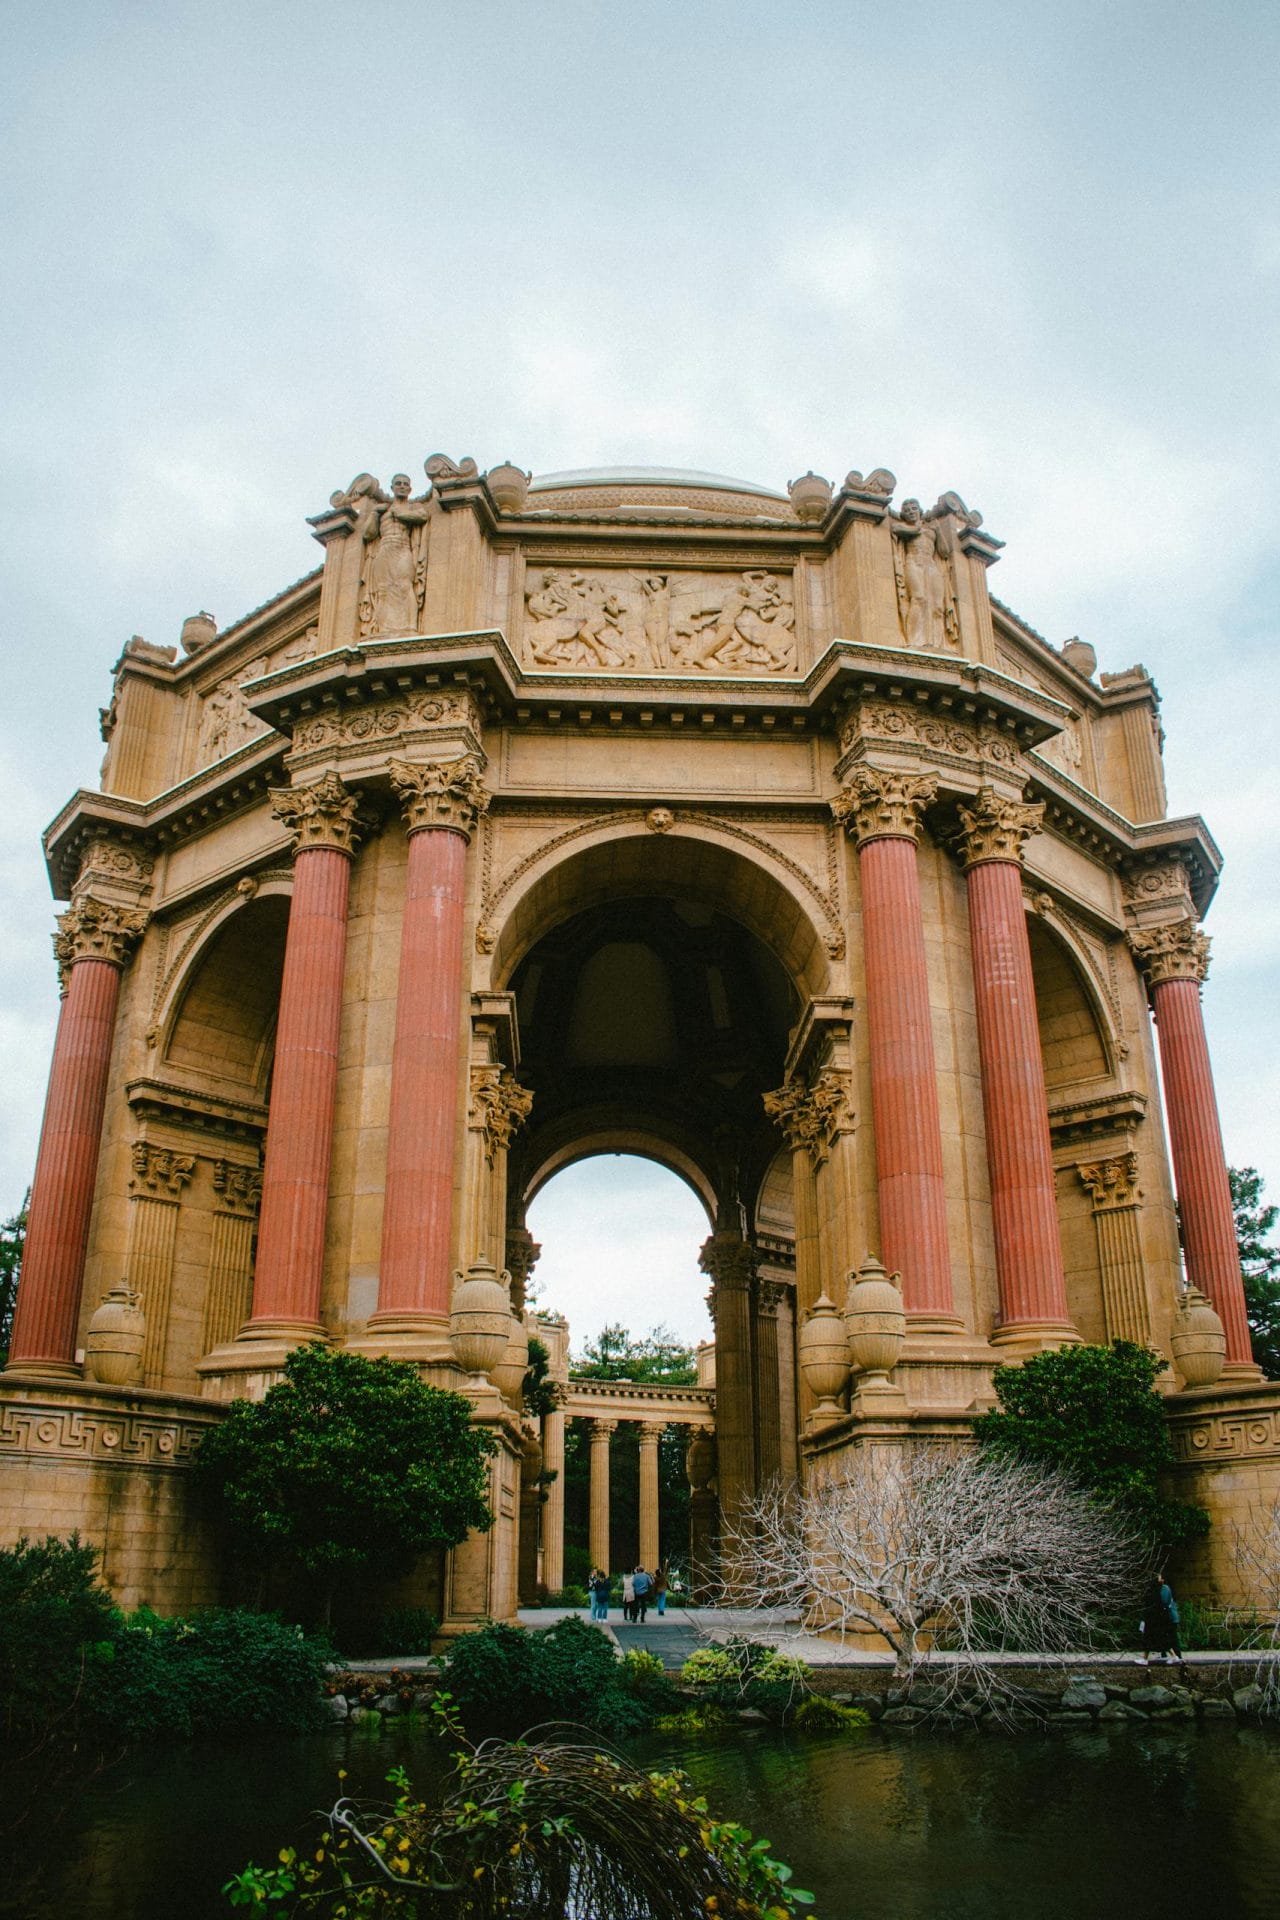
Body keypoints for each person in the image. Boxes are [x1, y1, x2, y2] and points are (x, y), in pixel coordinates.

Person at [1140, 1570, 1187, 1667]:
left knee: (1167, 1638)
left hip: (1163, 1618)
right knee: (1164, 1638)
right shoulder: (1160, 1589)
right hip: (1163, 1618)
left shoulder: (1162, 1589)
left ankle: (1176, 1657)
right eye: (1160, 1578)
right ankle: (1172, 1656)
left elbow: (1162, 1603)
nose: (1162, 1580)